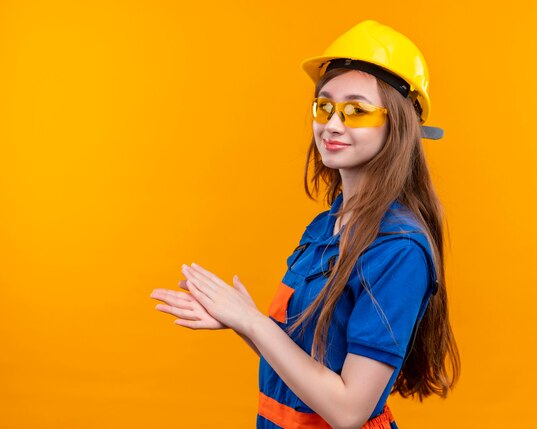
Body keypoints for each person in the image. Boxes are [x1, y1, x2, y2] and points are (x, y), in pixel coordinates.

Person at [150, 20, 460, 429]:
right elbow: (306, 360)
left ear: (399, 125)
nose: (332, 124)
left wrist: (254, 322)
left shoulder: (399, 249)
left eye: (356, 110)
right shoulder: (326, 224)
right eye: (324, 106)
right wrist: (243, 321)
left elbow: (348, 411)